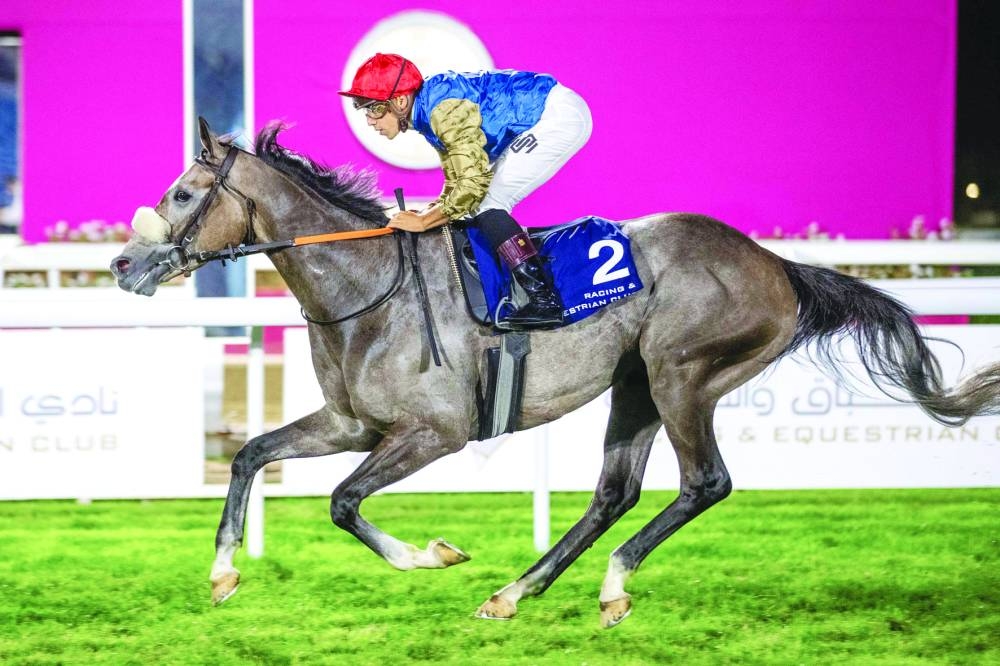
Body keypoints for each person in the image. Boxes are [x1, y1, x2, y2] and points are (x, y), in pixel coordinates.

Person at [339, 53, 593, 329]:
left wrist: (426, 221)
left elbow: (473, 183)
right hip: (549, 110)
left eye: (374, 109)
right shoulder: (427, 110)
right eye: (364, 110)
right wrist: (431, 211)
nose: (370, 121)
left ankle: (544, 300)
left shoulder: (443, 110)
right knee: (476, 203)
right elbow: (457, 179)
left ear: (400, 101)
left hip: (557, 117)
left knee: (488, 201)